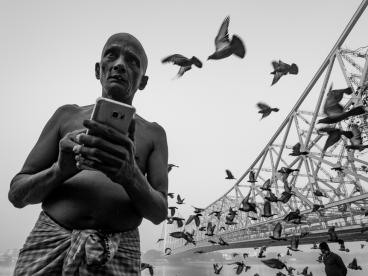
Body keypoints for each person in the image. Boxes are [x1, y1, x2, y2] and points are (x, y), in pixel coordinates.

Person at [8, 33, 169, 275]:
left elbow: (159, 213)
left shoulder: (154, 134)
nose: (119, 65)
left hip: (119, 251)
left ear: (143, 81)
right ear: (98, 69)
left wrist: (130, 176)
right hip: (49, 241)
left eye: (132, 61)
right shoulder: (65, 116)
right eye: (111, 55)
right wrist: (60, 170)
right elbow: (17, 194)